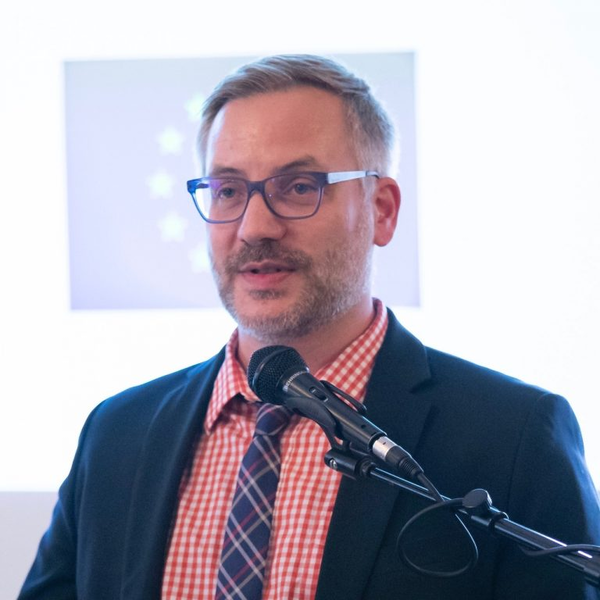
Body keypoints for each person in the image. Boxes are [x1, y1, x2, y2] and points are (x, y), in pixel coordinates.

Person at [20, 54, 600, 599]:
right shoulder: (117, 432)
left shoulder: (515, 436)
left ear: (381, 210)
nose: (254, 228)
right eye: (227, 191)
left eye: (299, 187)